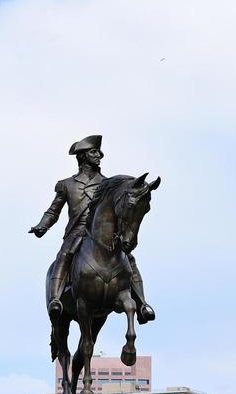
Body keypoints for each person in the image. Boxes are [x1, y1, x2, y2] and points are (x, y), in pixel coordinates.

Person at [29, 135, 154, 324]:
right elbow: (53, 211)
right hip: (77, 232)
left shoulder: (108, 184)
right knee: (65, 254)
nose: (99, 155)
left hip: (104, 234)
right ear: (82, 156)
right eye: (93, 152)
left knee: (129, 258)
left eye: (99, 152)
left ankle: (142, 304)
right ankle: (55, 299)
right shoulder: (67, 185)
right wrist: (42, 226)